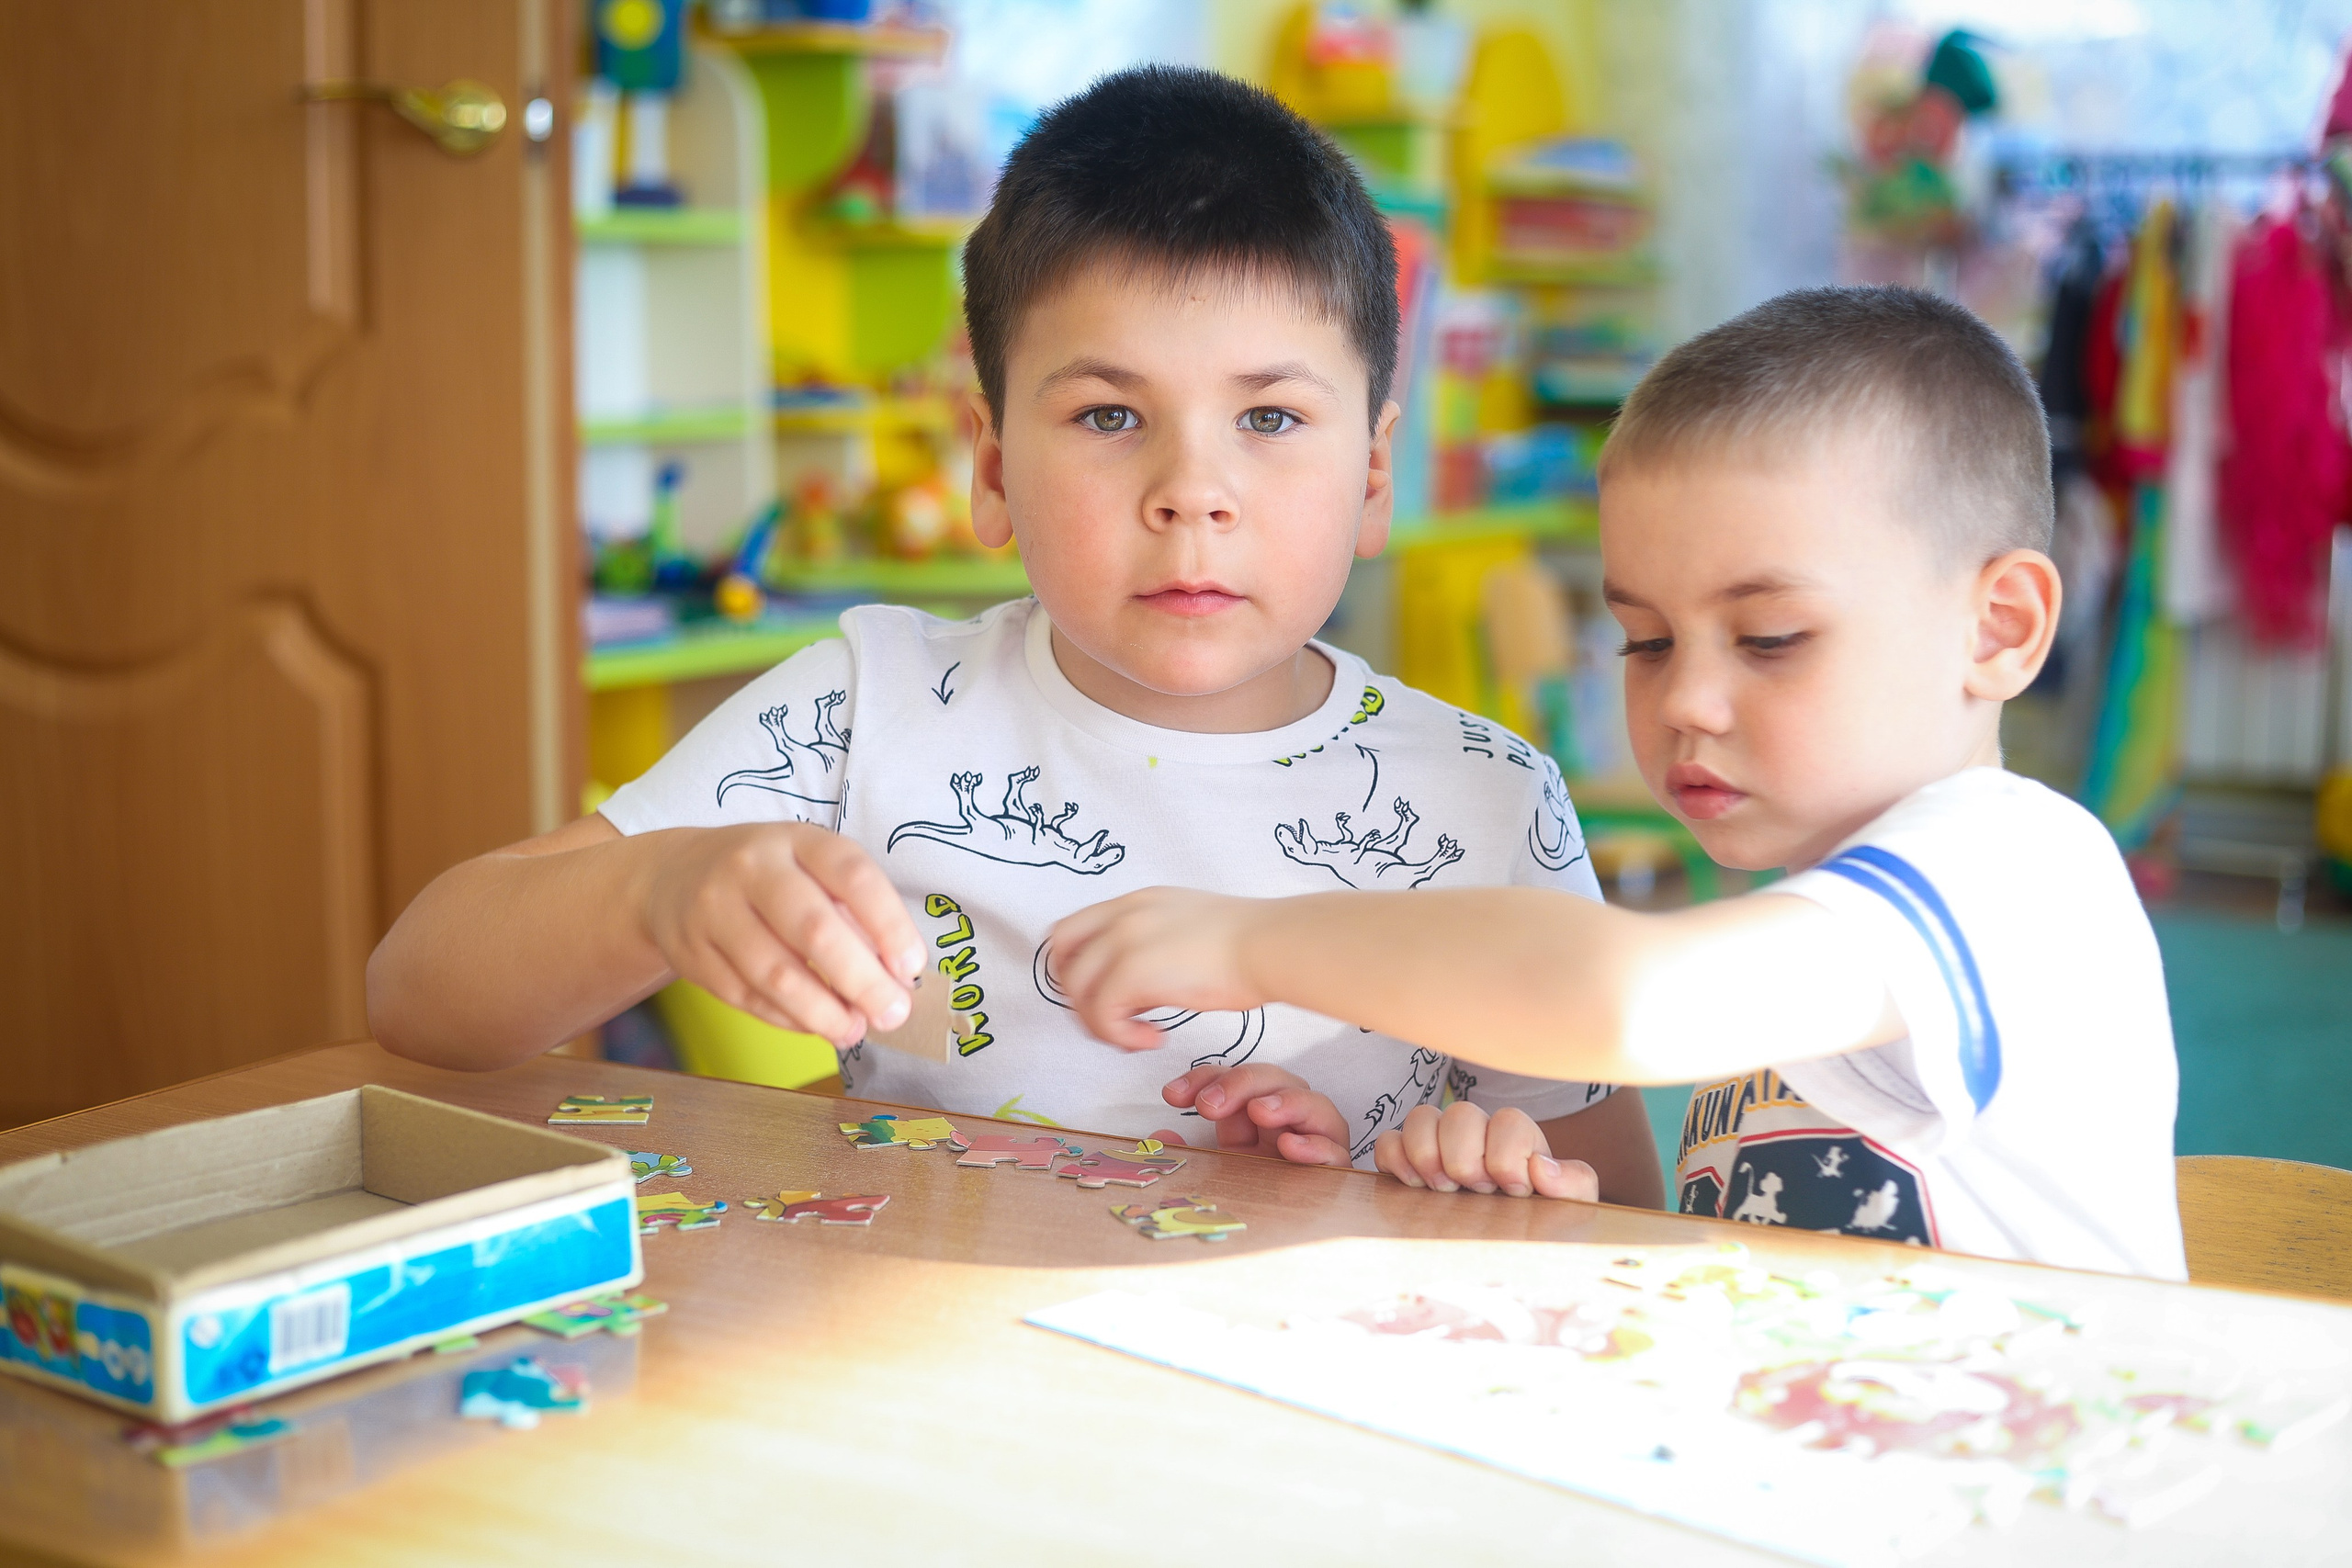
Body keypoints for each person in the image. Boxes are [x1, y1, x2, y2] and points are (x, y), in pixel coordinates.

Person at [366, 65, 1662, 1207]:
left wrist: (1447, 1175)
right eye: (1109, 416)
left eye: (1269, 420)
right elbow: (420, 996)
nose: (1191, 490)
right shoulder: (870, 704)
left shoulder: (1489, 802)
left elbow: (1614, 1197)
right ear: (990, 467)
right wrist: (654, 886)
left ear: (1375, 474)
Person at [1047, 286, 2188, 1279]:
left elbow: (1629, 1000)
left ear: (1998, 627)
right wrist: (1521, 1189)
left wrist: (1251, 946)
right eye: (1645, 641)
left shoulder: (2014, 870)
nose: (1683, 700)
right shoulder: (1794, 935)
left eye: (1772, 636)